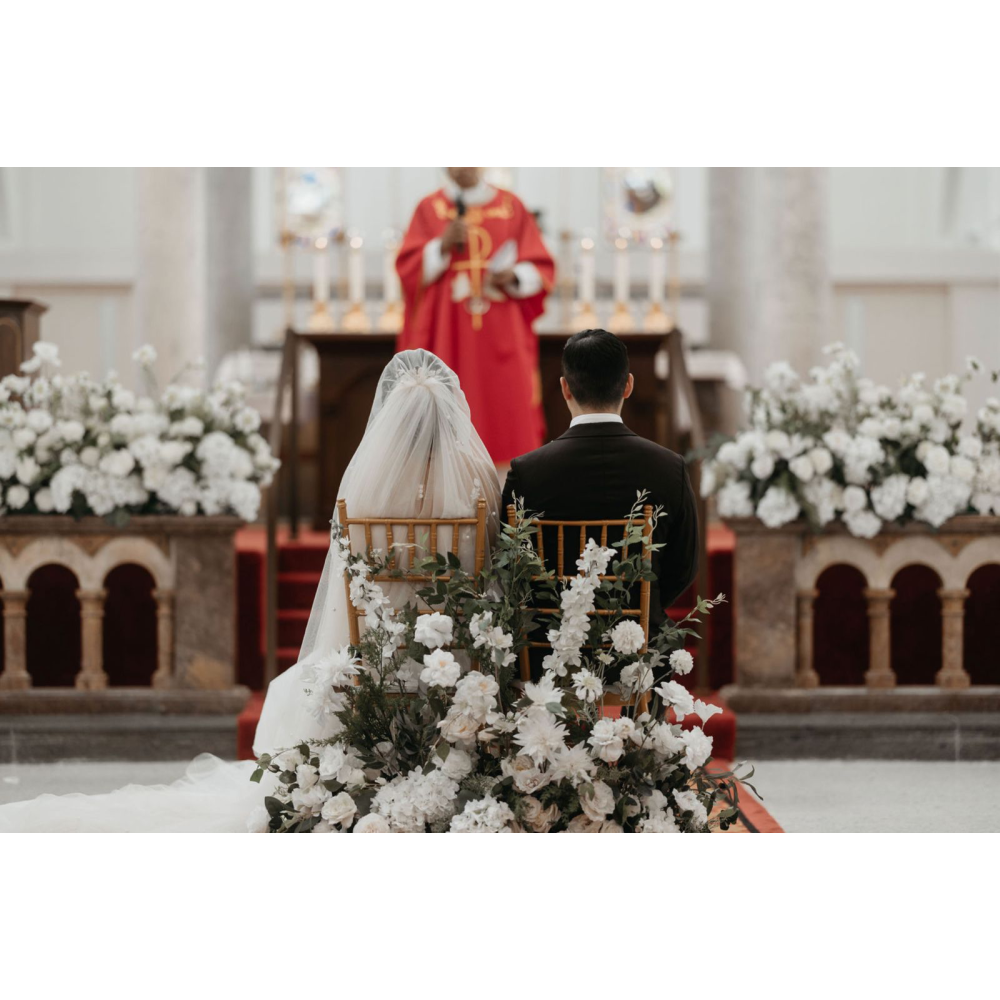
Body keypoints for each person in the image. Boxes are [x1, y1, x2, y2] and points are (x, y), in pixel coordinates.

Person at [0, 351, 501, 832]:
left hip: (376, 653)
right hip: (457, 659)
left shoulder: (365, 487)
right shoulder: (479, 480)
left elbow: (345, 578)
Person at [501, 328, 699, 674]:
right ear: (628, 386)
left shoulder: (527, 472)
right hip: (638, 646)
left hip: (549, 650)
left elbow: (510, 567)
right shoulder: (670, 467)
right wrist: (641, 605)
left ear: (564, 387)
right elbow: (685, 564)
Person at [395, 168, 555, 469]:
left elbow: (542, 266)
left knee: (508, 411)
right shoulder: (429, 209)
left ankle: (509, 499)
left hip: (502, 336)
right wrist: (440, 246)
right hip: (448, 335)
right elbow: (407, 269)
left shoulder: (511, 207)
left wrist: (516, 275)